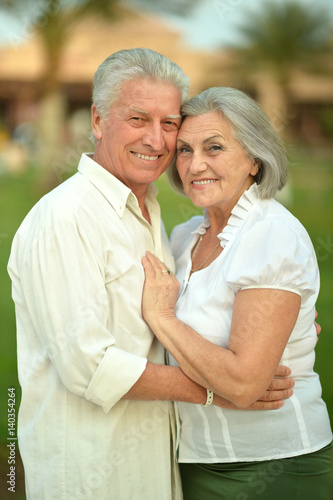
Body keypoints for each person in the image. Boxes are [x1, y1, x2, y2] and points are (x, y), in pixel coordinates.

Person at [7, 49, 295, 500]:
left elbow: (187, 312)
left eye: (169, 123)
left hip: (158, 471)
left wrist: (284, 327)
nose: (157, 140)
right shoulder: (66, 218)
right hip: (89, 473)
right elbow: (89, 366)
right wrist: (225, 389)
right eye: (138, 119)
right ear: (99, 121)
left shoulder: (153, 218)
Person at [141, 86, 333, 499]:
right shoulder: (182, 238)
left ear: (254, 159)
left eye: (215, 148)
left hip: (274, 465)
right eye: (186, 150)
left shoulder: (271, 235)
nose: (196, 165)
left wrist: (163, 319)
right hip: (193, 462)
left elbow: (244, 385)